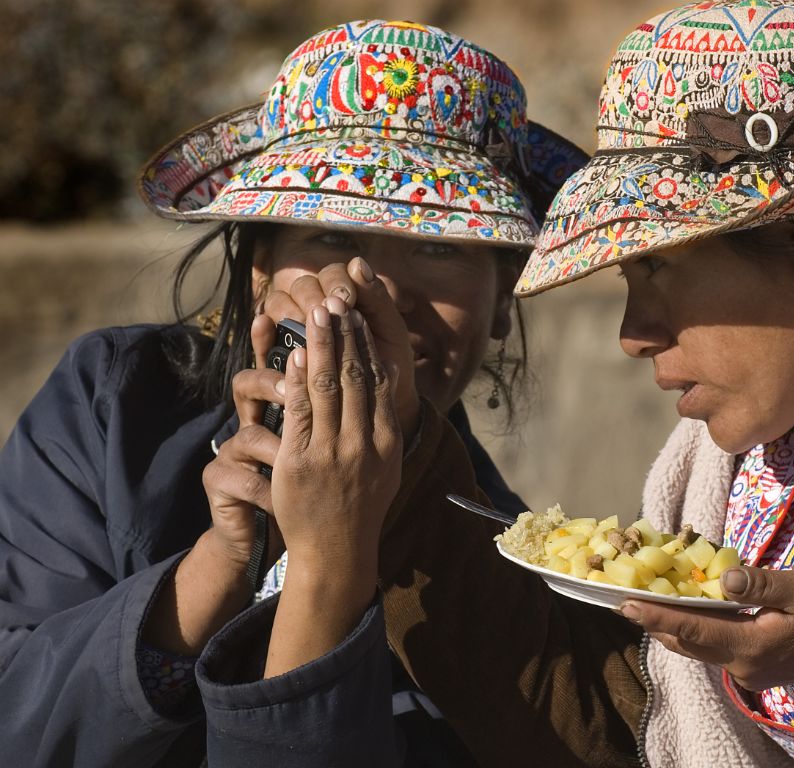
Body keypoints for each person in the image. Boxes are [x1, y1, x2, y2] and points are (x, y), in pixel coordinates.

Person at [355, 2, 794, 767]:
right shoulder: (745, 453)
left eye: (660, 267)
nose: (634, 335)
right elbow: (646, 728)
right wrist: (399, 463)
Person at [0, 19, 586, 767]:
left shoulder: (511, 571)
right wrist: (220, 563)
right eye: (330, 238)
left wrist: (327, 568)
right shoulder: (115, 408)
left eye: (441, 247)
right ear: (259, 269)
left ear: (504, 296)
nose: (376, 292)